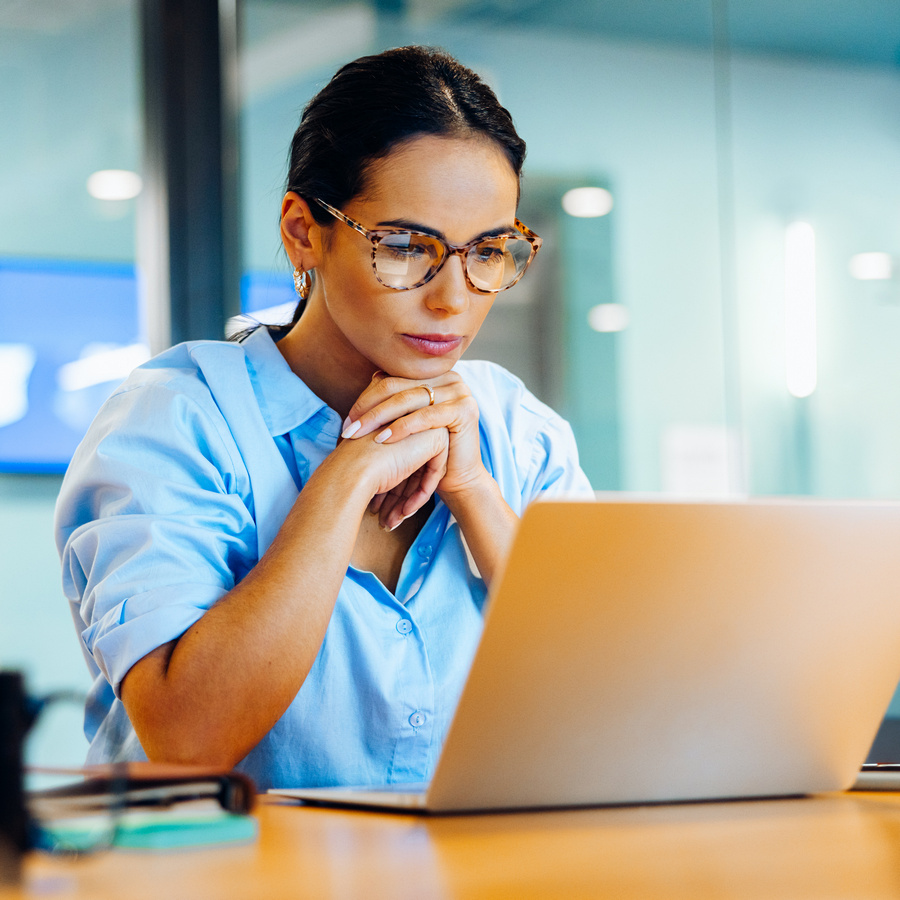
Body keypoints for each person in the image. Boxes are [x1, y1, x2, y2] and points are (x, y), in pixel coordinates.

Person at [54, 45, 593, 791]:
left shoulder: (516, 428)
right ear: (305, 231)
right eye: (406, 247)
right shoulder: (178, 420)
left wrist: (473, 492)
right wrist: (344, 481)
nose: (453, 299)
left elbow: (606, 699)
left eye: (489, 252)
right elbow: (187, 738)